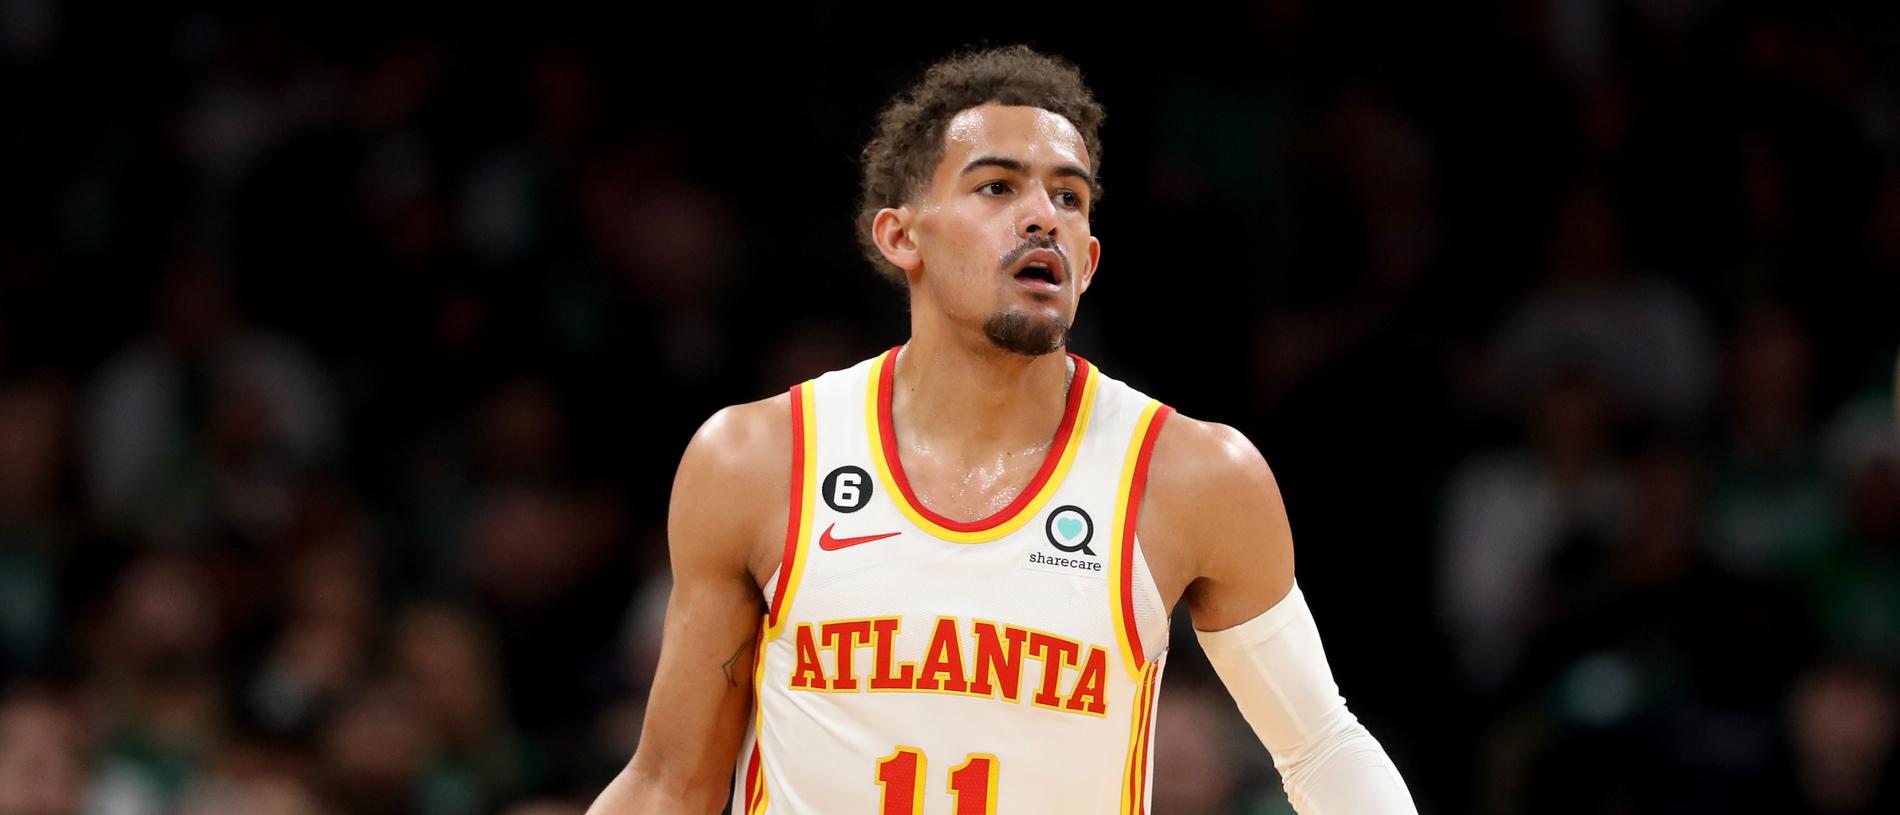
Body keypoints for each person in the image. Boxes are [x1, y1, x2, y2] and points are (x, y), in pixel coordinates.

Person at [586, 45, 1416, 814]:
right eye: (997, 186)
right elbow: (669, 782)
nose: (1043, 217)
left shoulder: (1194, 474)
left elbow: (1322, 747)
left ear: (1088, 261)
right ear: (900, 234)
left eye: (1069, 196)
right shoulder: (761, 459)